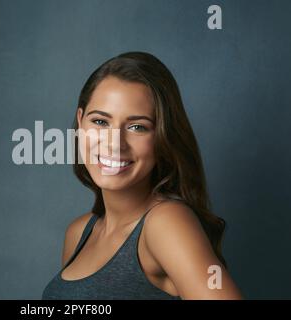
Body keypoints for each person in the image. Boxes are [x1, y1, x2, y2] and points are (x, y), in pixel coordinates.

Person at [42, 52, 243, 299]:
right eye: (101, 122)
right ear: (80, 121)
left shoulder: (166, 223)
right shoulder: (78, 233)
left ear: (162, 137)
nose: (114, 144)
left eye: (137, 127)